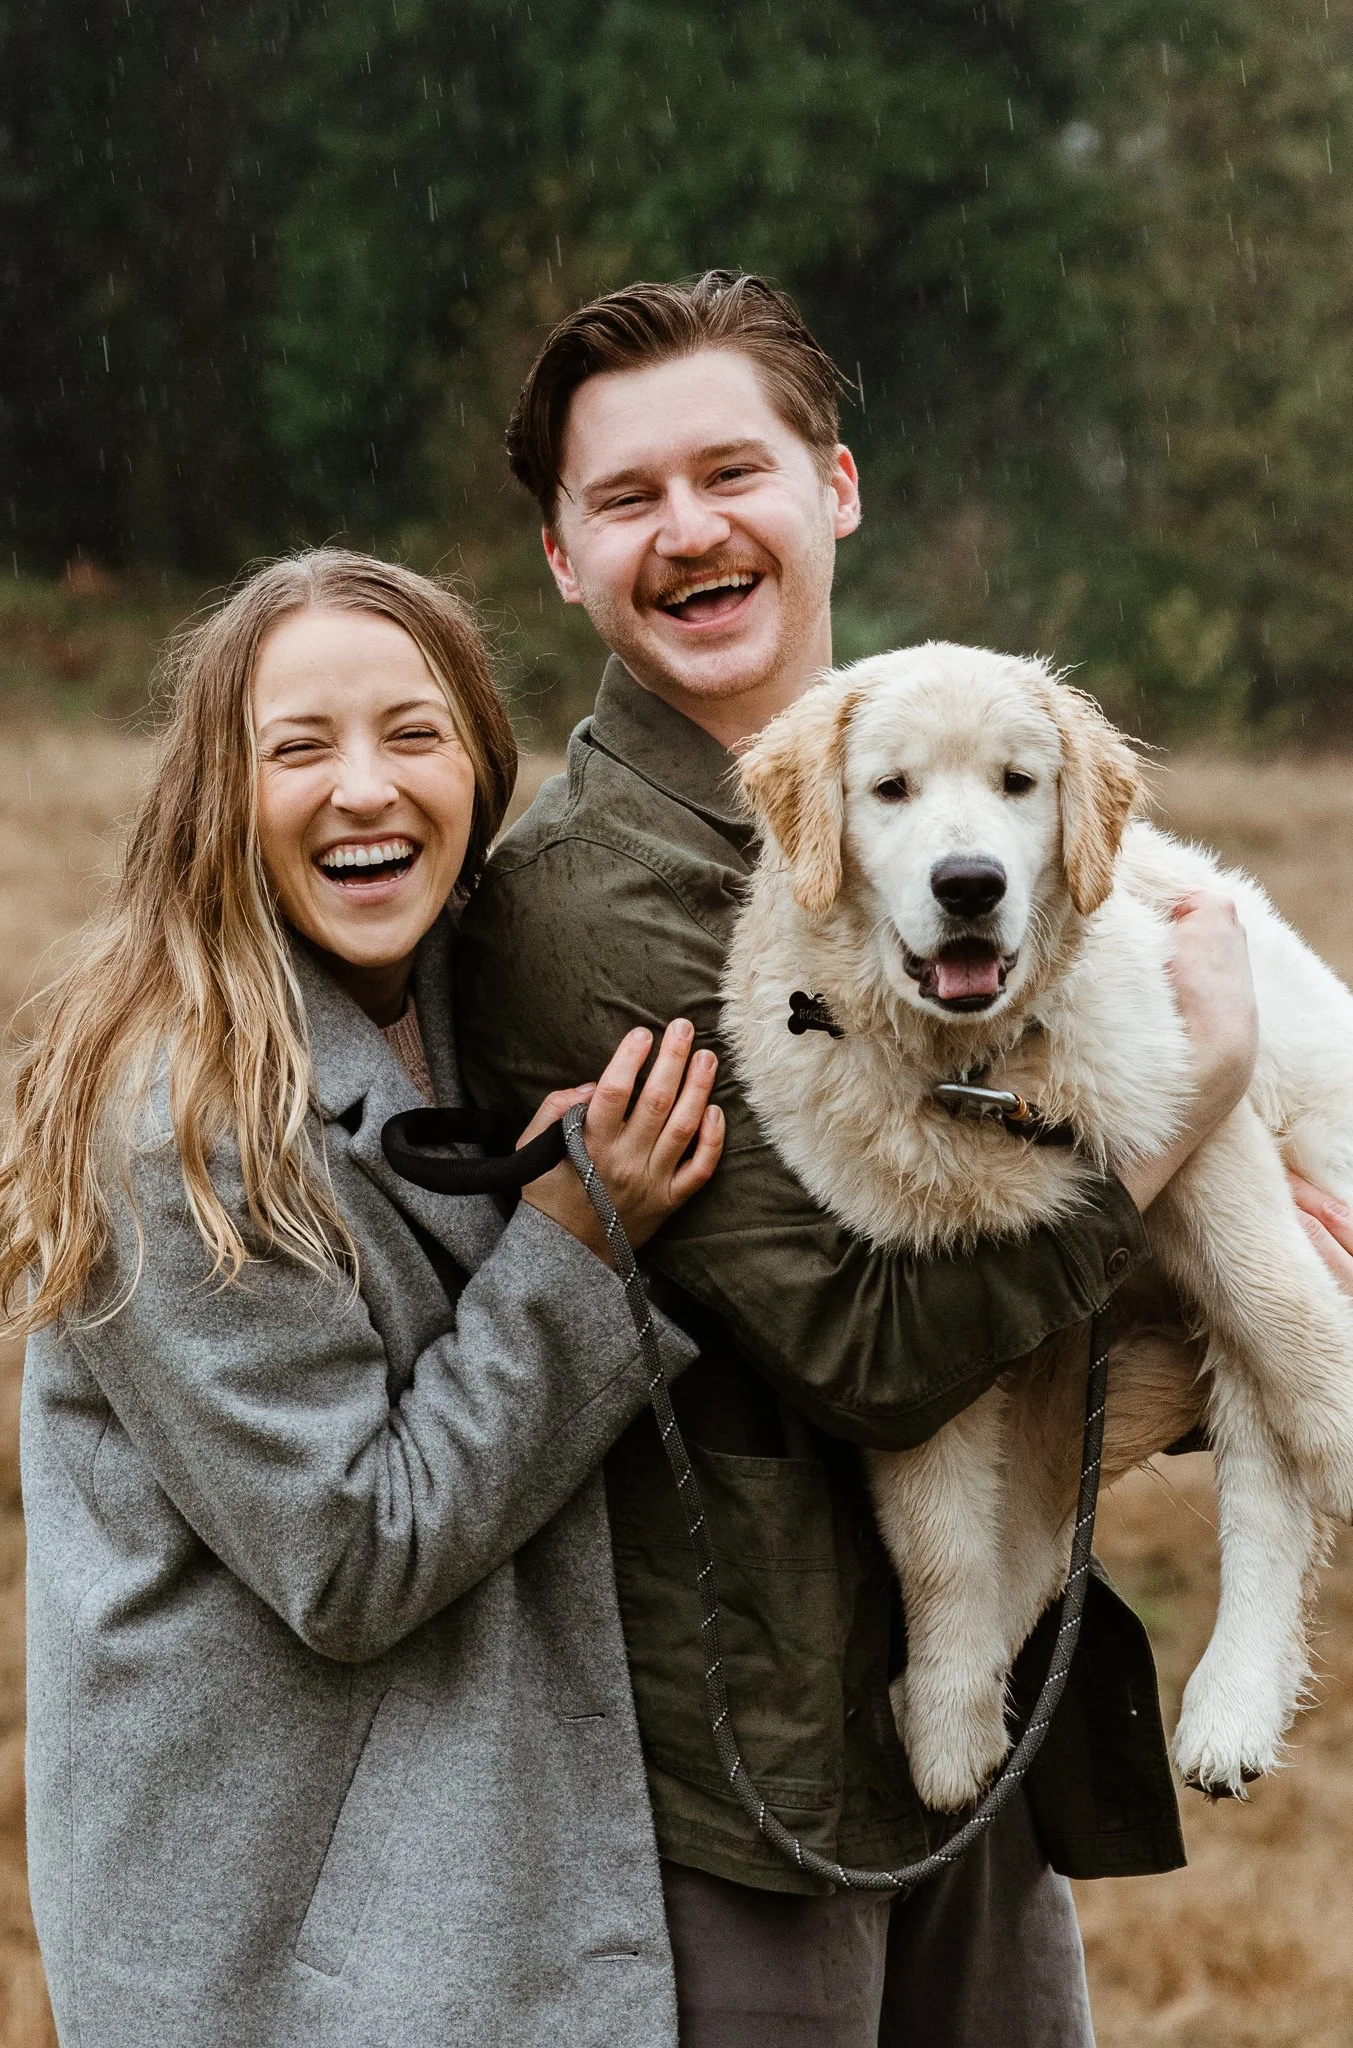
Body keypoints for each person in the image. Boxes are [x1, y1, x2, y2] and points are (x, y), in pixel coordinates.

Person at [455, 273, 1265, 2047]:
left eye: (731, 471)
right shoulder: (583, 912)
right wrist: (1183, 1127)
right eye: (626, 499)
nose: (690, 532)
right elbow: (869, 1351)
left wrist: (1237, 1281)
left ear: (835, 487)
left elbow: (1077, 1249)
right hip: (763, 1768)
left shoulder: (977, 785)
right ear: (561, 560)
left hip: (981, 1700)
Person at [0, 549, 727, 2048]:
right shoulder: (179, 1121)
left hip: (432, 1871)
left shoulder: (472, 1001)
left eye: (412, 733)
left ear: (481, 766)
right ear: (217, 796)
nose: (365, 790)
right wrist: (579, 1245)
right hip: (286, 1935)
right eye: (299, 748)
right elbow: (351, 1553)